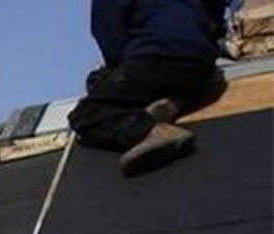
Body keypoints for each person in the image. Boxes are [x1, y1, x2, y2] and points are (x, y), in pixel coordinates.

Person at [69, 0, 229, 176]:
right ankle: (175, 101)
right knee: (175, 80)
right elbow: (217, 15)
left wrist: (114, 74)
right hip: (202, 64)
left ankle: (149, 130)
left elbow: (112, 38)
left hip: (157, 56)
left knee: (86, 114)